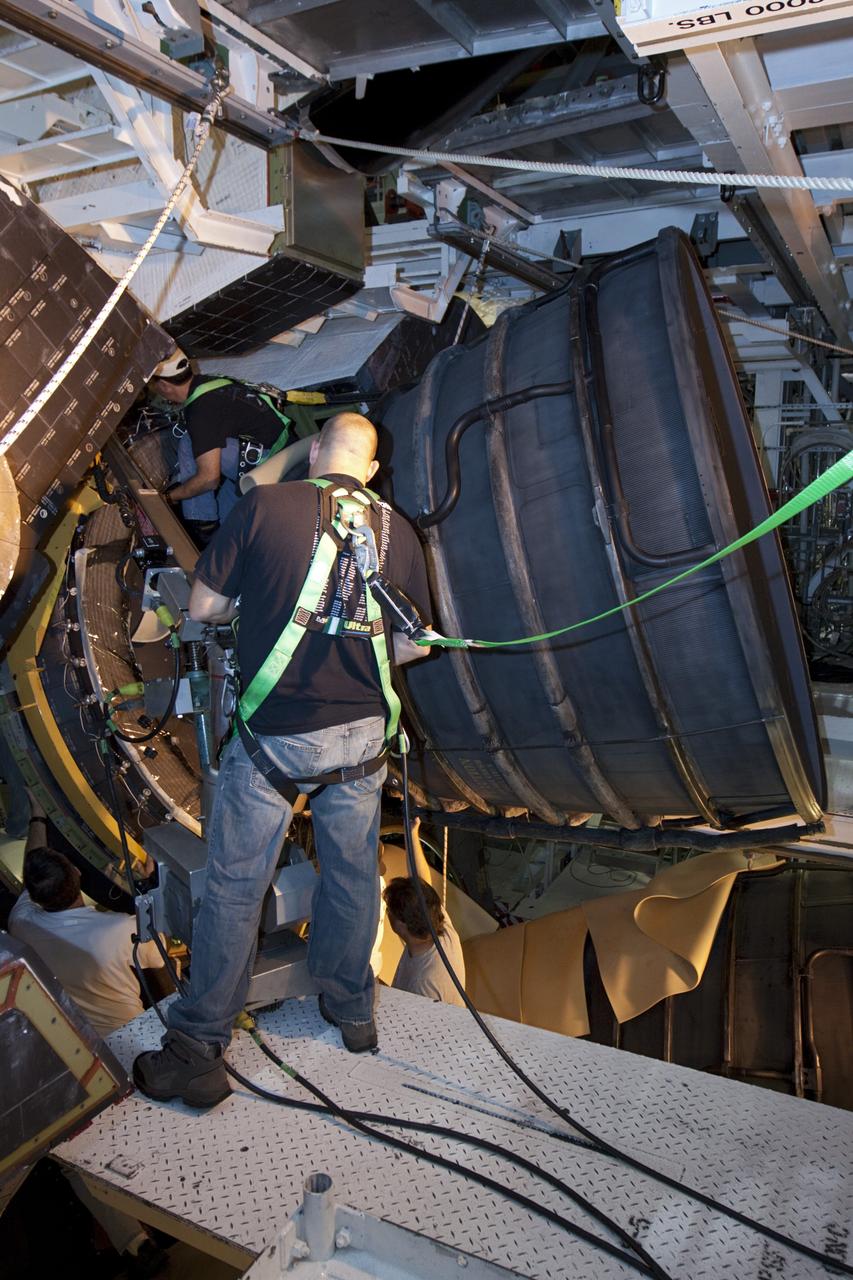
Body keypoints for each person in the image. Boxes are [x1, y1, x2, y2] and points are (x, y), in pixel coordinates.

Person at [133, 412, 432, 1108]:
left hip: (278, 739)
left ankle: (197, 1048)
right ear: (373, 470)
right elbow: (412, 646)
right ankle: (350, 1009)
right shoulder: (399, 530)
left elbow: (204, 607)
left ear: (313, 454)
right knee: (352, 875)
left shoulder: (266, 504)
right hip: (361, 740)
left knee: (236, 890)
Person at [8, 818, 164, 1038]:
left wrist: (37, 817)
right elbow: (158, 958)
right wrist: (151, 885)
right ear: (77, 873)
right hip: (131, 1037)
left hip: (77, 1037)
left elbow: (32, 875)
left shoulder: (21, 922)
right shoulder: (117, 930)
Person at [149, 348, 292, 541]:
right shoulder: (212, 382)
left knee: (188, 441)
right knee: (226, 532)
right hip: (285, 454)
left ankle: (201, 524)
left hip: (269, 467)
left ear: (165, 385)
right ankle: (215, 537)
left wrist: (169, 498)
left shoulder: (200, 411)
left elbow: (210, 479)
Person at [383, 877, 466, 1007]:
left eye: (388, 910)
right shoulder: (443, 928)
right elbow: (420, 872)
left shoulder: (422, 985)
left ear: (401, 925)